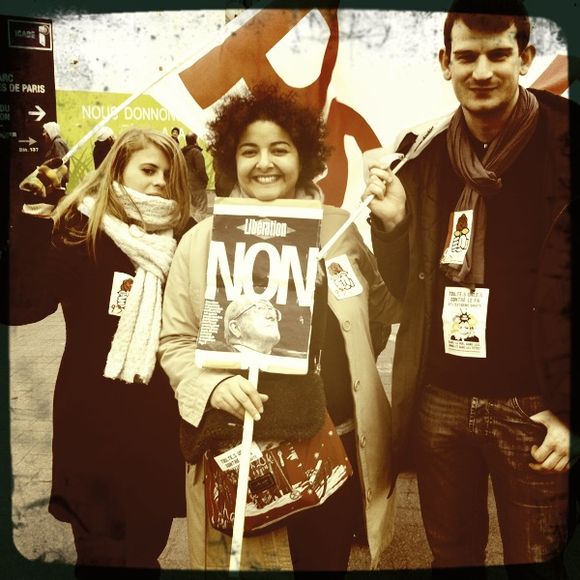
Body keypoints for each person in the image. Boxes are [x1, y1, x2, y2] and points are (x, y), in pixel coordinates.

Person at [366, 1, 572, 578]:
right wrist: (393, 226)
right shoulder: (427, 153)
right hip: (443, 401)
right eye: (467, 56)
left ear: (525, 58)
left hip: (536, 410)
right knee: (451, 559)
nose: (482, 71)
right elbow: (407, 287)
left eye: (499, 54)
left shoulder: (565, 144)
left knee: (537, 563)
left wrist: (570, 410)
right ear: (445, 62)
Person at [159, 85, 399, 574]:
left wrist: (393, 230)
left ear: (304, 157)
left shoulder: (340, 228)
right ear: (230, 158)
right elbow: (176, 342)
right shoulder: (201, 241)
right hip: (245, 455)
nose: (264, 163)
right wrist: (213, 384)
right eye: (249, 151)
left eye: (280, 149)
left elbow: (383, 314)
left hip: (332, 452)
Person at [6, 128, 192, 578]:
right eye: (148, 169)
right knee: (101, 559)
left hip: (157, 426)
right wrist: (33, 216)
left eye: (169, 174)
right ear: (118, 171)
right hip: (91, 424)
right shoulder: (80, 228)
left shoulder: (185, 240)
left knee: (146, 552)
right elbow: (23, 305)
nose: (160, 182)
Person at [181, 132, 209, 220]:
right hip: (197, 184)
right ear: (195, 141)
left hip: (186, 183)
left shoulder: (182, 153)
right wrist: (205, 181)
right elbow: (201, 170)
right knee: (201, 208)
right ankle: (199, 229)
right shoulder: (196, 152)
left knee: (191, 209)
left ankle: (191, 228)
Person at [42, 121, 70, 187]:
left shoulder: (57, 142)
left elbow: (60, 162)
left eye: (45, 132)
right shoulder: (56, 143)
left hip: (57, 183)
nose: (43, 135)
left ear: (50, 132)